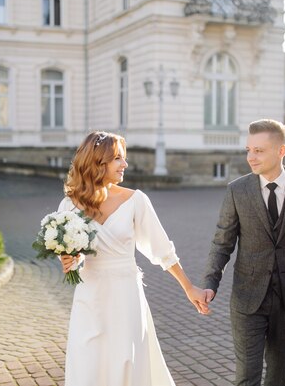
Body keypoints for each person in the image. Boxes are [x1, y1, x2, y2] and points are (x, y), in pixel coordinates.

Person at [57, 131, 210, 386]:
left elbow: (162, 250)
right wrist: (69, 261)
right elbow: (72, 257)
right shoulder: (69, 206)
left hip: (125, 296)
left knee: (127, 362)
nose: (125, 164)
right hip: (89, 296)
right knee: (87, 364)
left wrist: (189, 287)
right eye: (118, 158)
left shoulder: (135, 200)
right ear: (98, 161)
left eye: (123, 158)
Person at [202, 119, 285, 386]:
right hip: (248, 297)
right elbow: (222, 242)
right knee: (247, 375)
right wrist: (210, 283)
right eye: (248, 150)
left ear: (281, 151)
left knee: (278, 372)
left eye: (259, 151)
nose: (251, 157)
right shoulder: (237, 190)